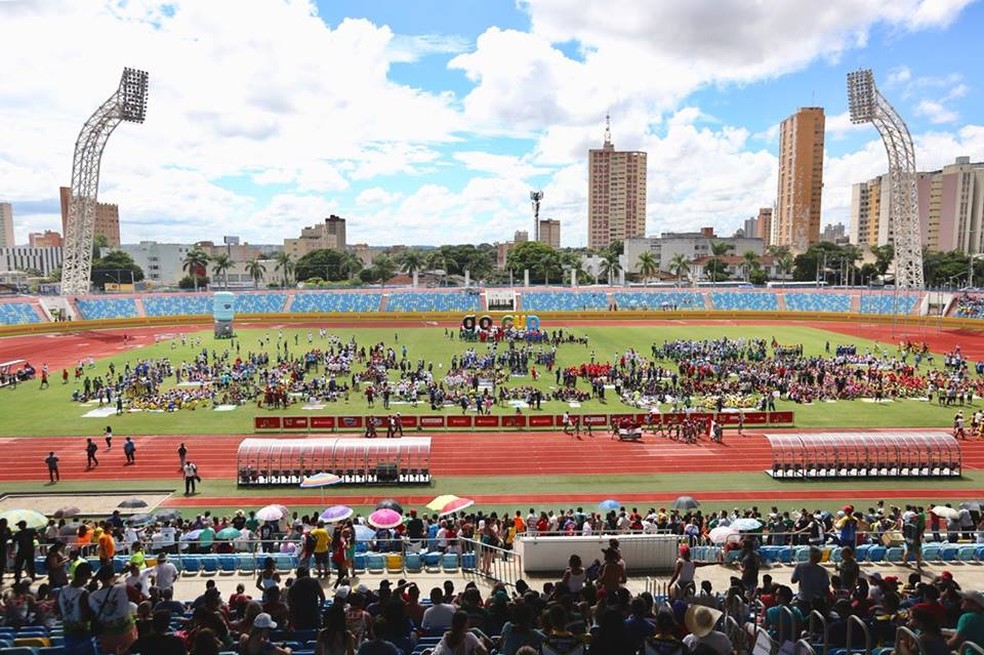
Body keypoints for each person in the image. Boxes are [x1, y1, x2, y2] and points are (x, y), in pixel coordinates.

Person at [88, 564, 138, 655]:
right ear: (112, 576)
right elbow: (139, 597)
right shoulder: (124, 588)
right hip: (127, 633)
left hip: (106, 636)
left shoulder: (92, 596)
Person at [288, 566, 326, 631]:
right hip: (314, 615)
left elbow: (291, 603)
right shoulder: (315, 582)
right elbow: (322, 598)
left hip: (300, 616)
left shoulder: (294, 585)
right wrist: (318, 609)